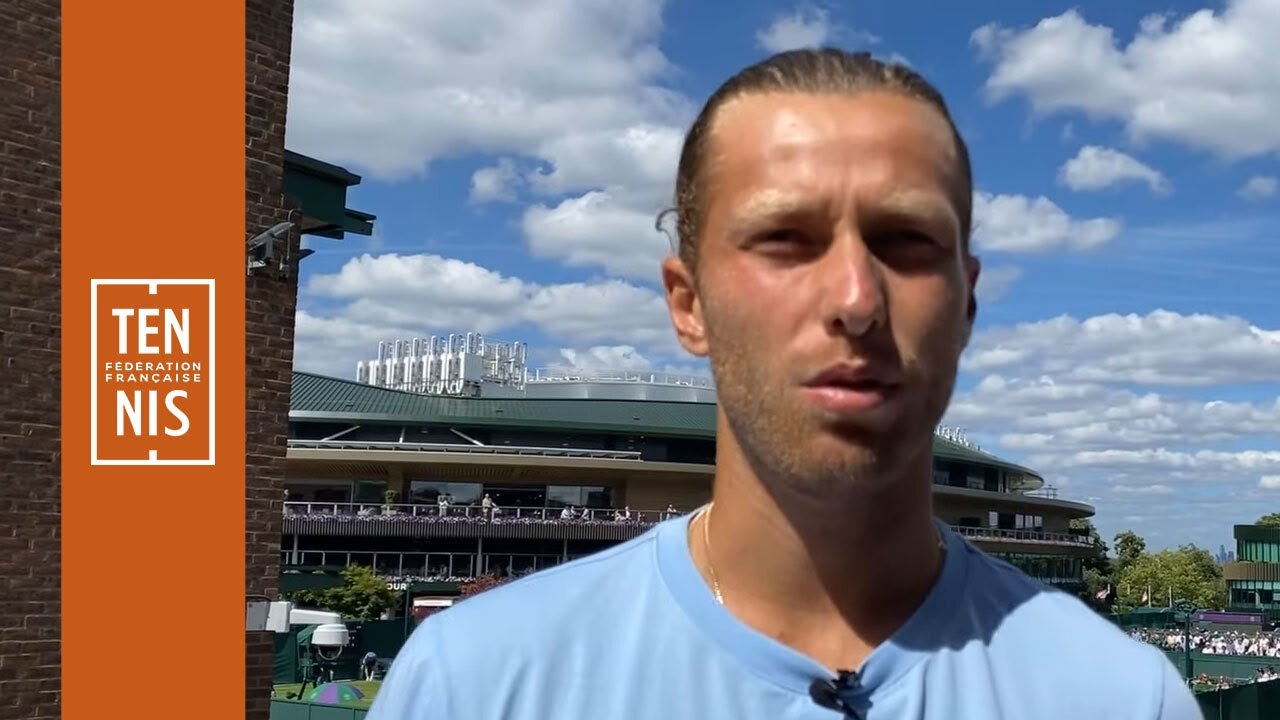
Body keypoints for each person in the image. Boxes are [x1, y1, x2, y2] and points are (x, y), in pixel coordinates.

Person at [367, 49, 1202, 719]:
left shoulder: (1122, 697)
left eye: (907, 241)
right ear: (689, 304)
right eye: (785, 239)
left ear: (967, 303)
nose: (856, 299)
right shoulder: (475, 683)